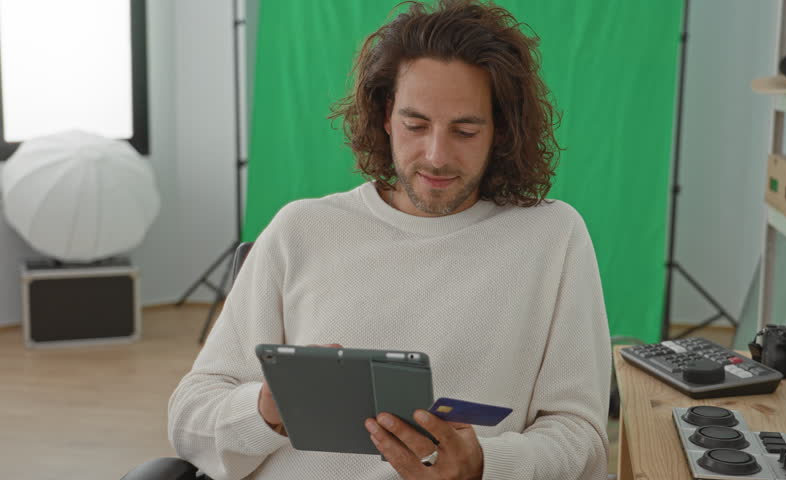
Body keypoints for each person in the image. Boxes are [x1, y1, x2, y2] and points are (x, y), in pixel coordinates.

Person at [167, 0, 611, 479]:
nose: (436, 156)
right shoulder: (302, 229)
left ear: (501, 129)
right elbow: (190, 418)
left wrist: (484, 467)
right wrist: (265, 411)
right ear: (384, 115)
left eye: (464, 130)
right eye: (415, 125)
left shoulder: (551, 236)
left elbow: (580, 437)